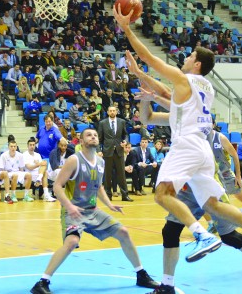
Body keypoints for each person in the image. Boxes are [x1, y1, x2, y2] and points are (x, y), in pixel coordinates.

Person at [114, 5, 242, 271]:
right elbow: (168, 94)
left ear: (197, 63)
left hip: (188, 145)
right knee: (212, 203)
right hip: (202, 150)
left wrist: (126, 28)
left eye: (190, 55)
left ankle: (201, 234)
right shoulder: (205, 87)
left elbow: (148, 56)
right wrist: (141, 79)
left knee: (161, 194)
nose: (186, 58)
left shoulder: (186, 80)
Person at [30, 129, 160, 294]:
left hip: (92, 210)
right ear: (82, 141)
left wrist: (109, 204)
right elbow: (56, 186)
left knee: (124, 232)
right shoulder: (74, 160)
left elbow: (99, 187)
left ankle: (141, 274)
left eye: (95, 135)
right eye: (88, 135)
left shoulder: (100, 162)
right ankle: (42, 283)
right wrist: (69, 206)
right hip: (73, 210)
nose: (93, 137)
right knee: (70, 242)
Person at [154, 182, 242, 294]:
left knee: (229, 236)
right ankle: (167, 285)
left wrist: (237, 175)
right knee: (170, 231)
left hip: (206, 185)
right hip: (188, 189)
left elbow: (230, 154)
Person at [97, 106, 132, 202]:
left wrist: (125, 141)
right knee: (107, 175)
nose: (112, 112)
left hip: (119, 151)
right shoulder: (102, 123)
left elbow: (125, 134)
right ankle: (108, 196)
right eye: (110, 111)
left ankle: (125, 195)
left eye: (114, 110)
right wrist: (99, 150)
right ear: (108, 112)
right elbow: (99, 139)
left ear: (116, 112)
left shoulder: (122, 121)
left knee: (121, 175)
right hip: (107, 152)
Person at [23, 137, 56, 202]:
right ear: (27, 146)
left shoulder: (37, 155)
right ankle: (46, 195)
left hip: (38, 173)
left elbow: (42, 164)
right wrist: (38, 164)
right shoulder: (24, 155)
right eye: (30, 145)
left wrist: (39, 164)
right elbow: (29, 167)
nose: (32, 146)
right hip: (29, 174)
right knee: (45, 173)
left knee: (45, 167)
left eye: (33, 145)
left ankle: (45, 193)